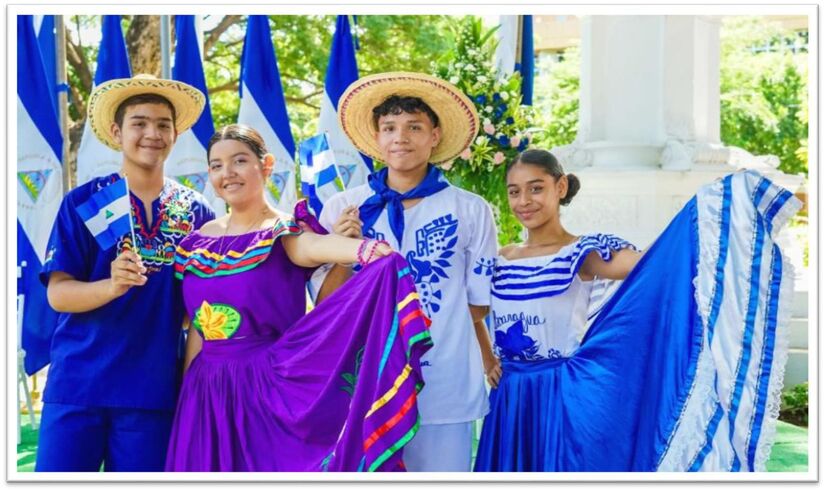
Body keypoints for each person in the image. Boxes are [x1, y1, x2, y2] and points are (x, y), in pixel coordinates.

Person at [474, 149, 800, 472]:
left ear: (560, 188)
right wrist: (489, 359)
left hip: (559, 394)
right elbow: (474, 310)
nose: (524, 201)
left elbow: (652, 262)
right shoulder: (502, 257)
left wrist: (705, 212)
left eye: (536, 188)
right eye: (514, 192)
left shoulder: (582, 252)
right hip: (509, 395)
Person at [164, 124, 433, 472]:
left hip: (265, 389)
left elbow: (315, 247)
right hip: (205, 392)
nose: (226, 173)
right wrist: (188, 396)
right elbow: (198, 329)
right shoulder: (195, 243)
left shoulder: (283, 230)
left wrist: (364, 248)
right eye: (216, 165)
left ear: (266, 165)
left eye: (239, 161)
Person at [311, 72, 499, 472]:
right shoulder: (342, 208)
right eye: (390, 128)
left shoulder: (471, 209)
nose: (401, 137)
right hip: (364, 381)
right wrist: (345, 249)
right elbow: (326, 305)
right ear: (376, 139)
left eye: (415, 127)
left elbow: (478, 305)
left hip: (445, 382)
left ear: (435, 135)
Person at [36, 74, 216, 471]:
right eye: (139, 123)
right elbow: (58, 294)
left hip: (152, 392)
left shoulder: (198, 212)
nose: (152, 133)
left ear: (175, 133)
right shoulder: (84, 202)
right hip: (78, 386)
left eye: (163, 124)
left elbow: (202, 309)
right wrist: (112, 285)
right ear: (117, 132)